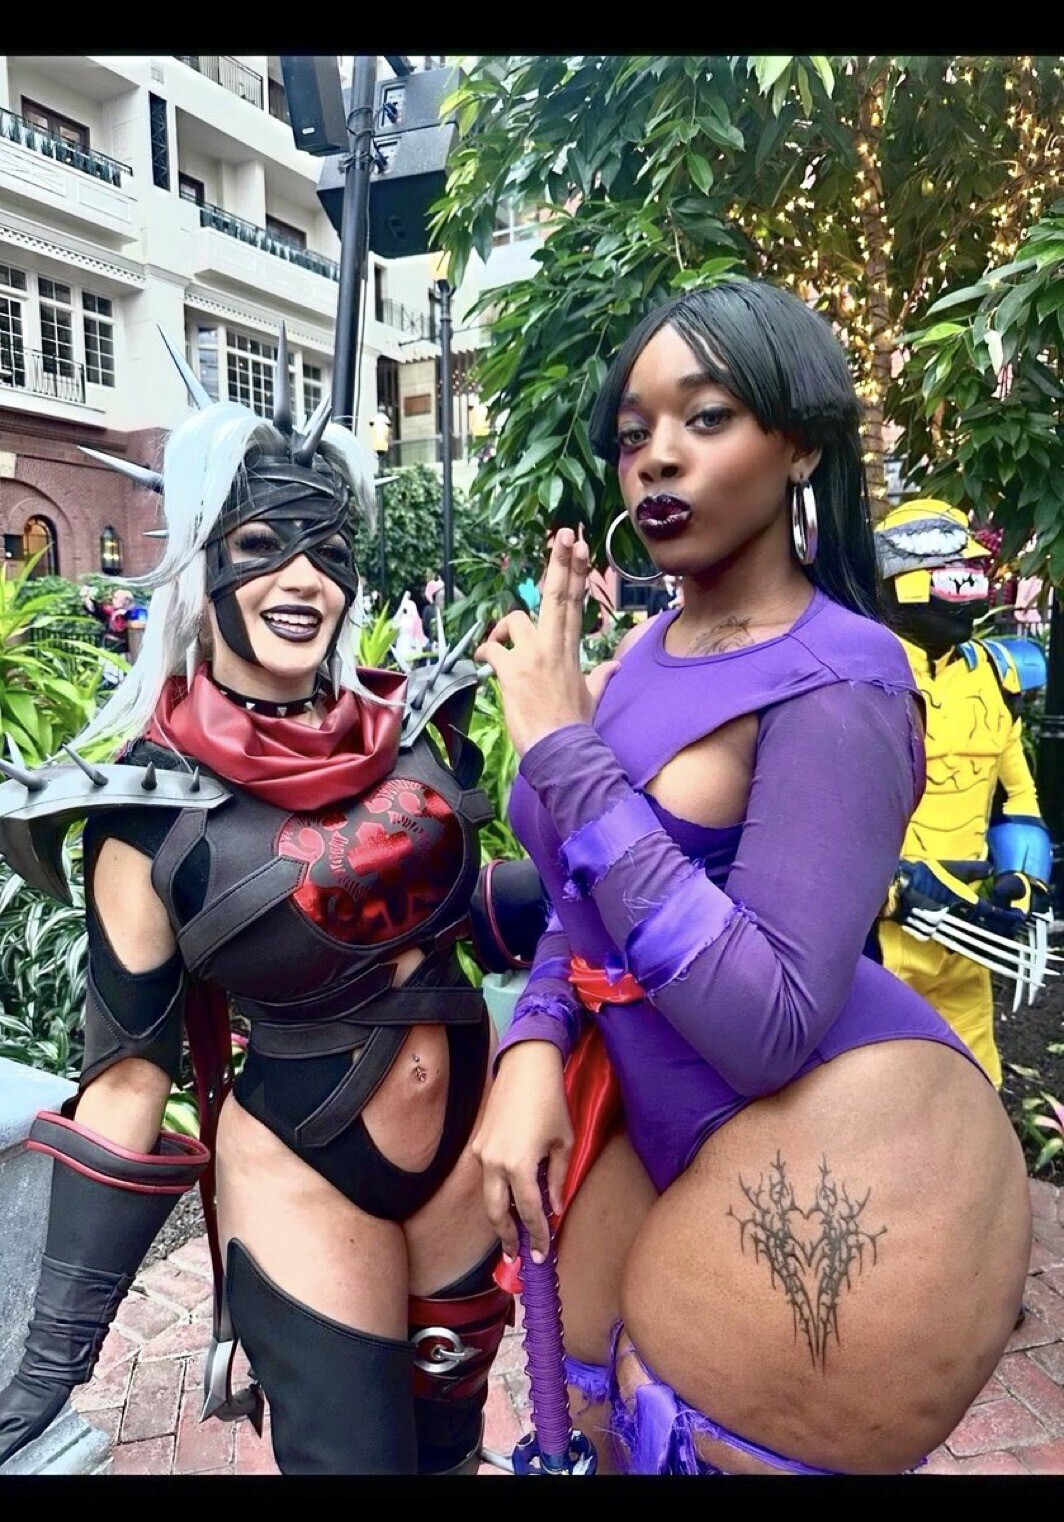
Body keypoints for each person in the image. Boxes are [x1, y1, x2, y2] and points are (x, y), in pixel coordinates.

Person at [471, 279, 1033, 1477]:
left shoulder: (846, 675)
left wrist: (564, 747)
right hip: (650, 1121)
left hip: (836, 1131)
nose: (656, 457)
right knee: (595, 1434)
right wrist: (532, 1044)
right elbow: (581, 894)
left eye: (705, 416)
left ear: (800, 446)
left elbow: (767, 1021)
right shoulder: (641, 653)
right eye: (633, 432)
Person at [0, 328, 546, 1476]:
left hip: (463, 1149)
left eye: (328, 550)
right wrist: (49, 1363)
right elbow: (129, 1080)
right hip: (302, 1166)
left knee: (448, 1451)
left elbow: (460, 920)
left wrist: (609, 872)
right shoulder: (143, 811)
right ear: (202, 559)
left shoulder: (413, 731)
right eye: (261, 545)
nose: (305, 579)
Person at [872, 499, 1054, 1088]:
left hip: (968, 939)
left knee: (975, 1087)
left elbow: (1017, 799)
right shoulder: (852, 675)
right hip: (876, 941)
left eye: (969, 573)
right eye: (944, 574)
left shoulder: (997, 677)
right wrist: (890, 888)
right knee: (874, 1093)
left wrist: (1026, 878)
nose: (963, 588)